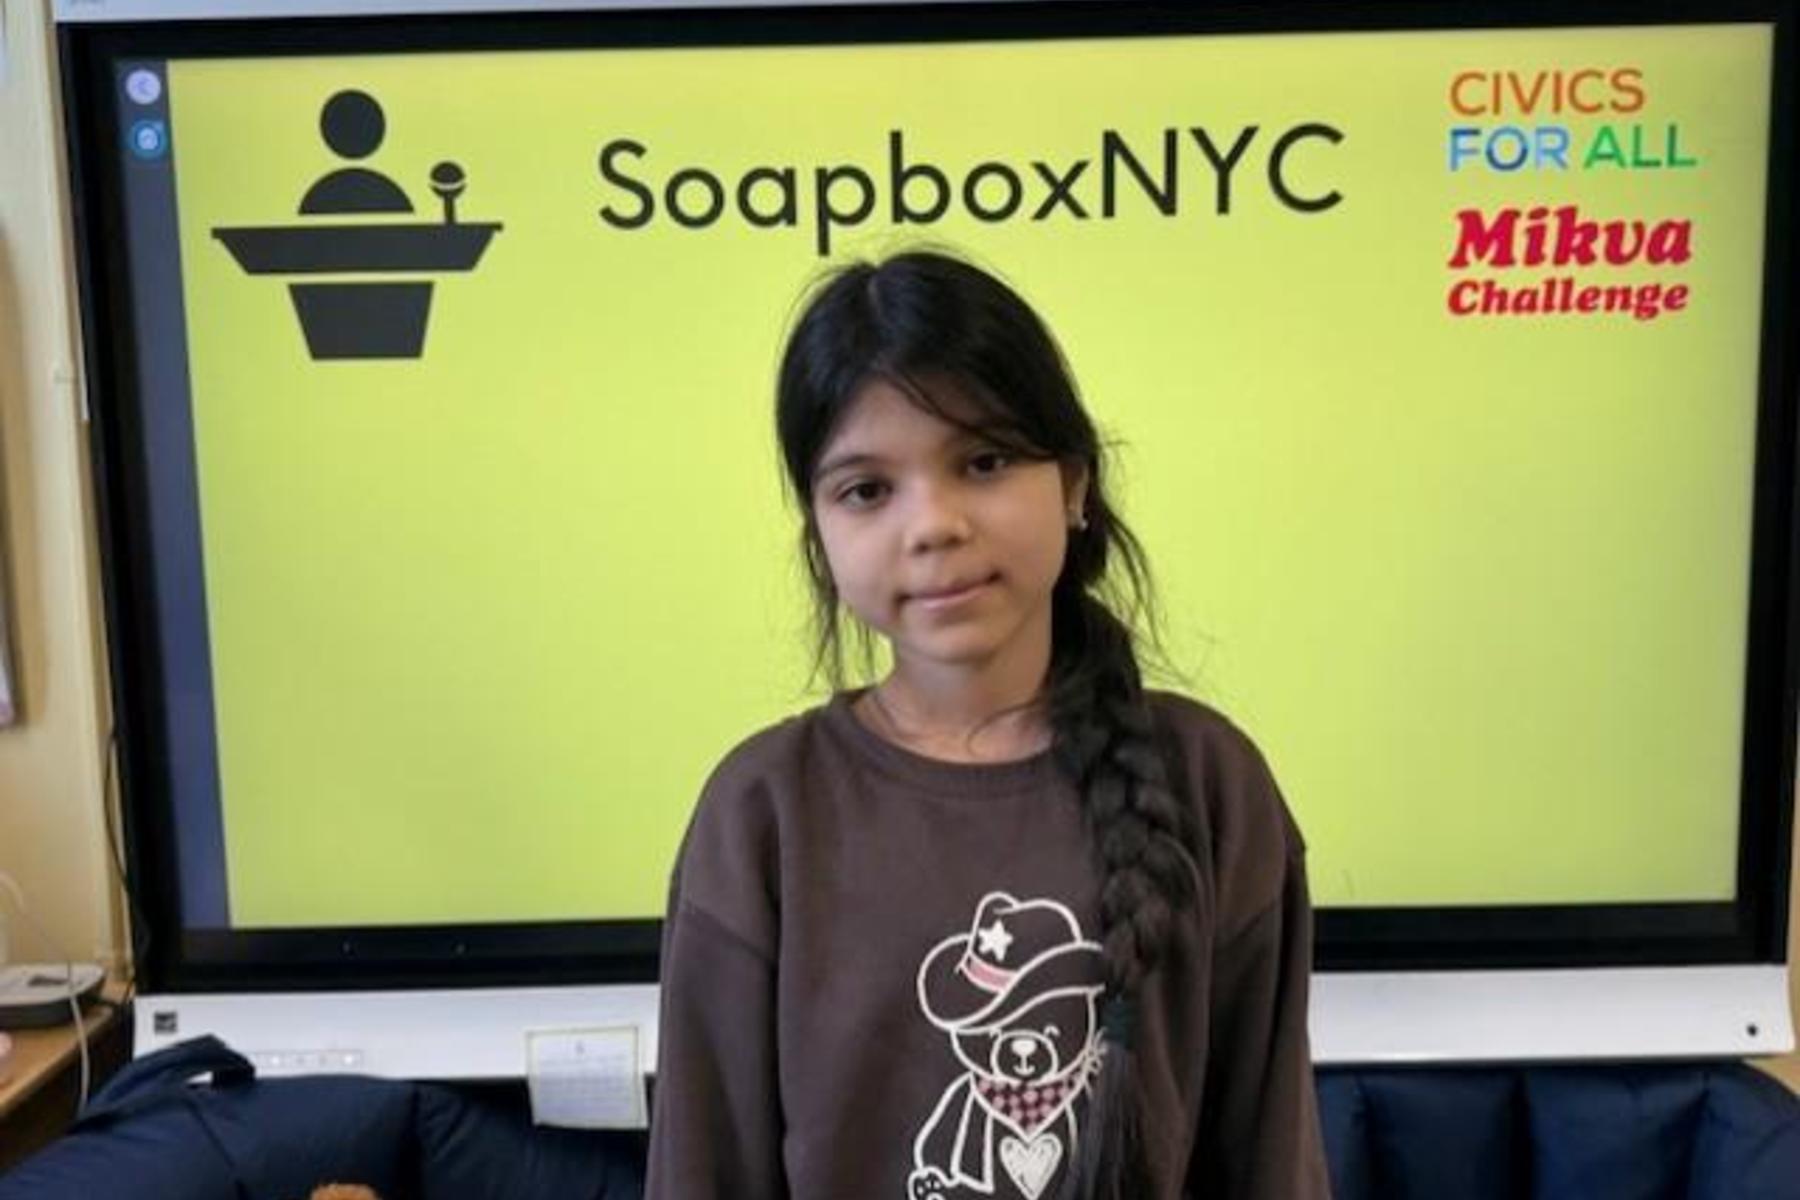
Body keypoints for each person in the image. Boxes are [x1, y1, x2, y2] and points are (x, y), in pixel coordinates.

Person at [645, 249, 1329, 1200]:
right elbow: (703, 1175)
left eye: (985, 460)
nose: (933, 524)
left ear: (1075, 485)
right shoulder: (762, 813)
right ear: (820, 532)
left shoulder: (1211, 786)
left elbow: (1269, 1163)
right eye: (867, 490)